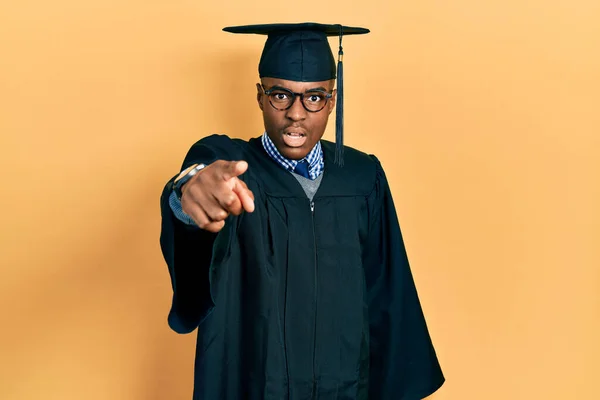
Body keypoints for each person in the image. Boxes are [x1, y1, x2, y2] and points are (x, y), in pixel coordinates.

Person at [159, 22, 445, 400]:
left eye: (314, 97)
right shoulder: (232, 166)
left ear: (332, 100)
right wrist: (190, 191)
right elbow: (198, 175)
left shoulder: (362, 177)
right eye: (281, 95)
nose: (296, 113)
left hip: (346, 387)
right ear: (260, 97)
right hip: (255, 387)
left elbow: (388, 293)